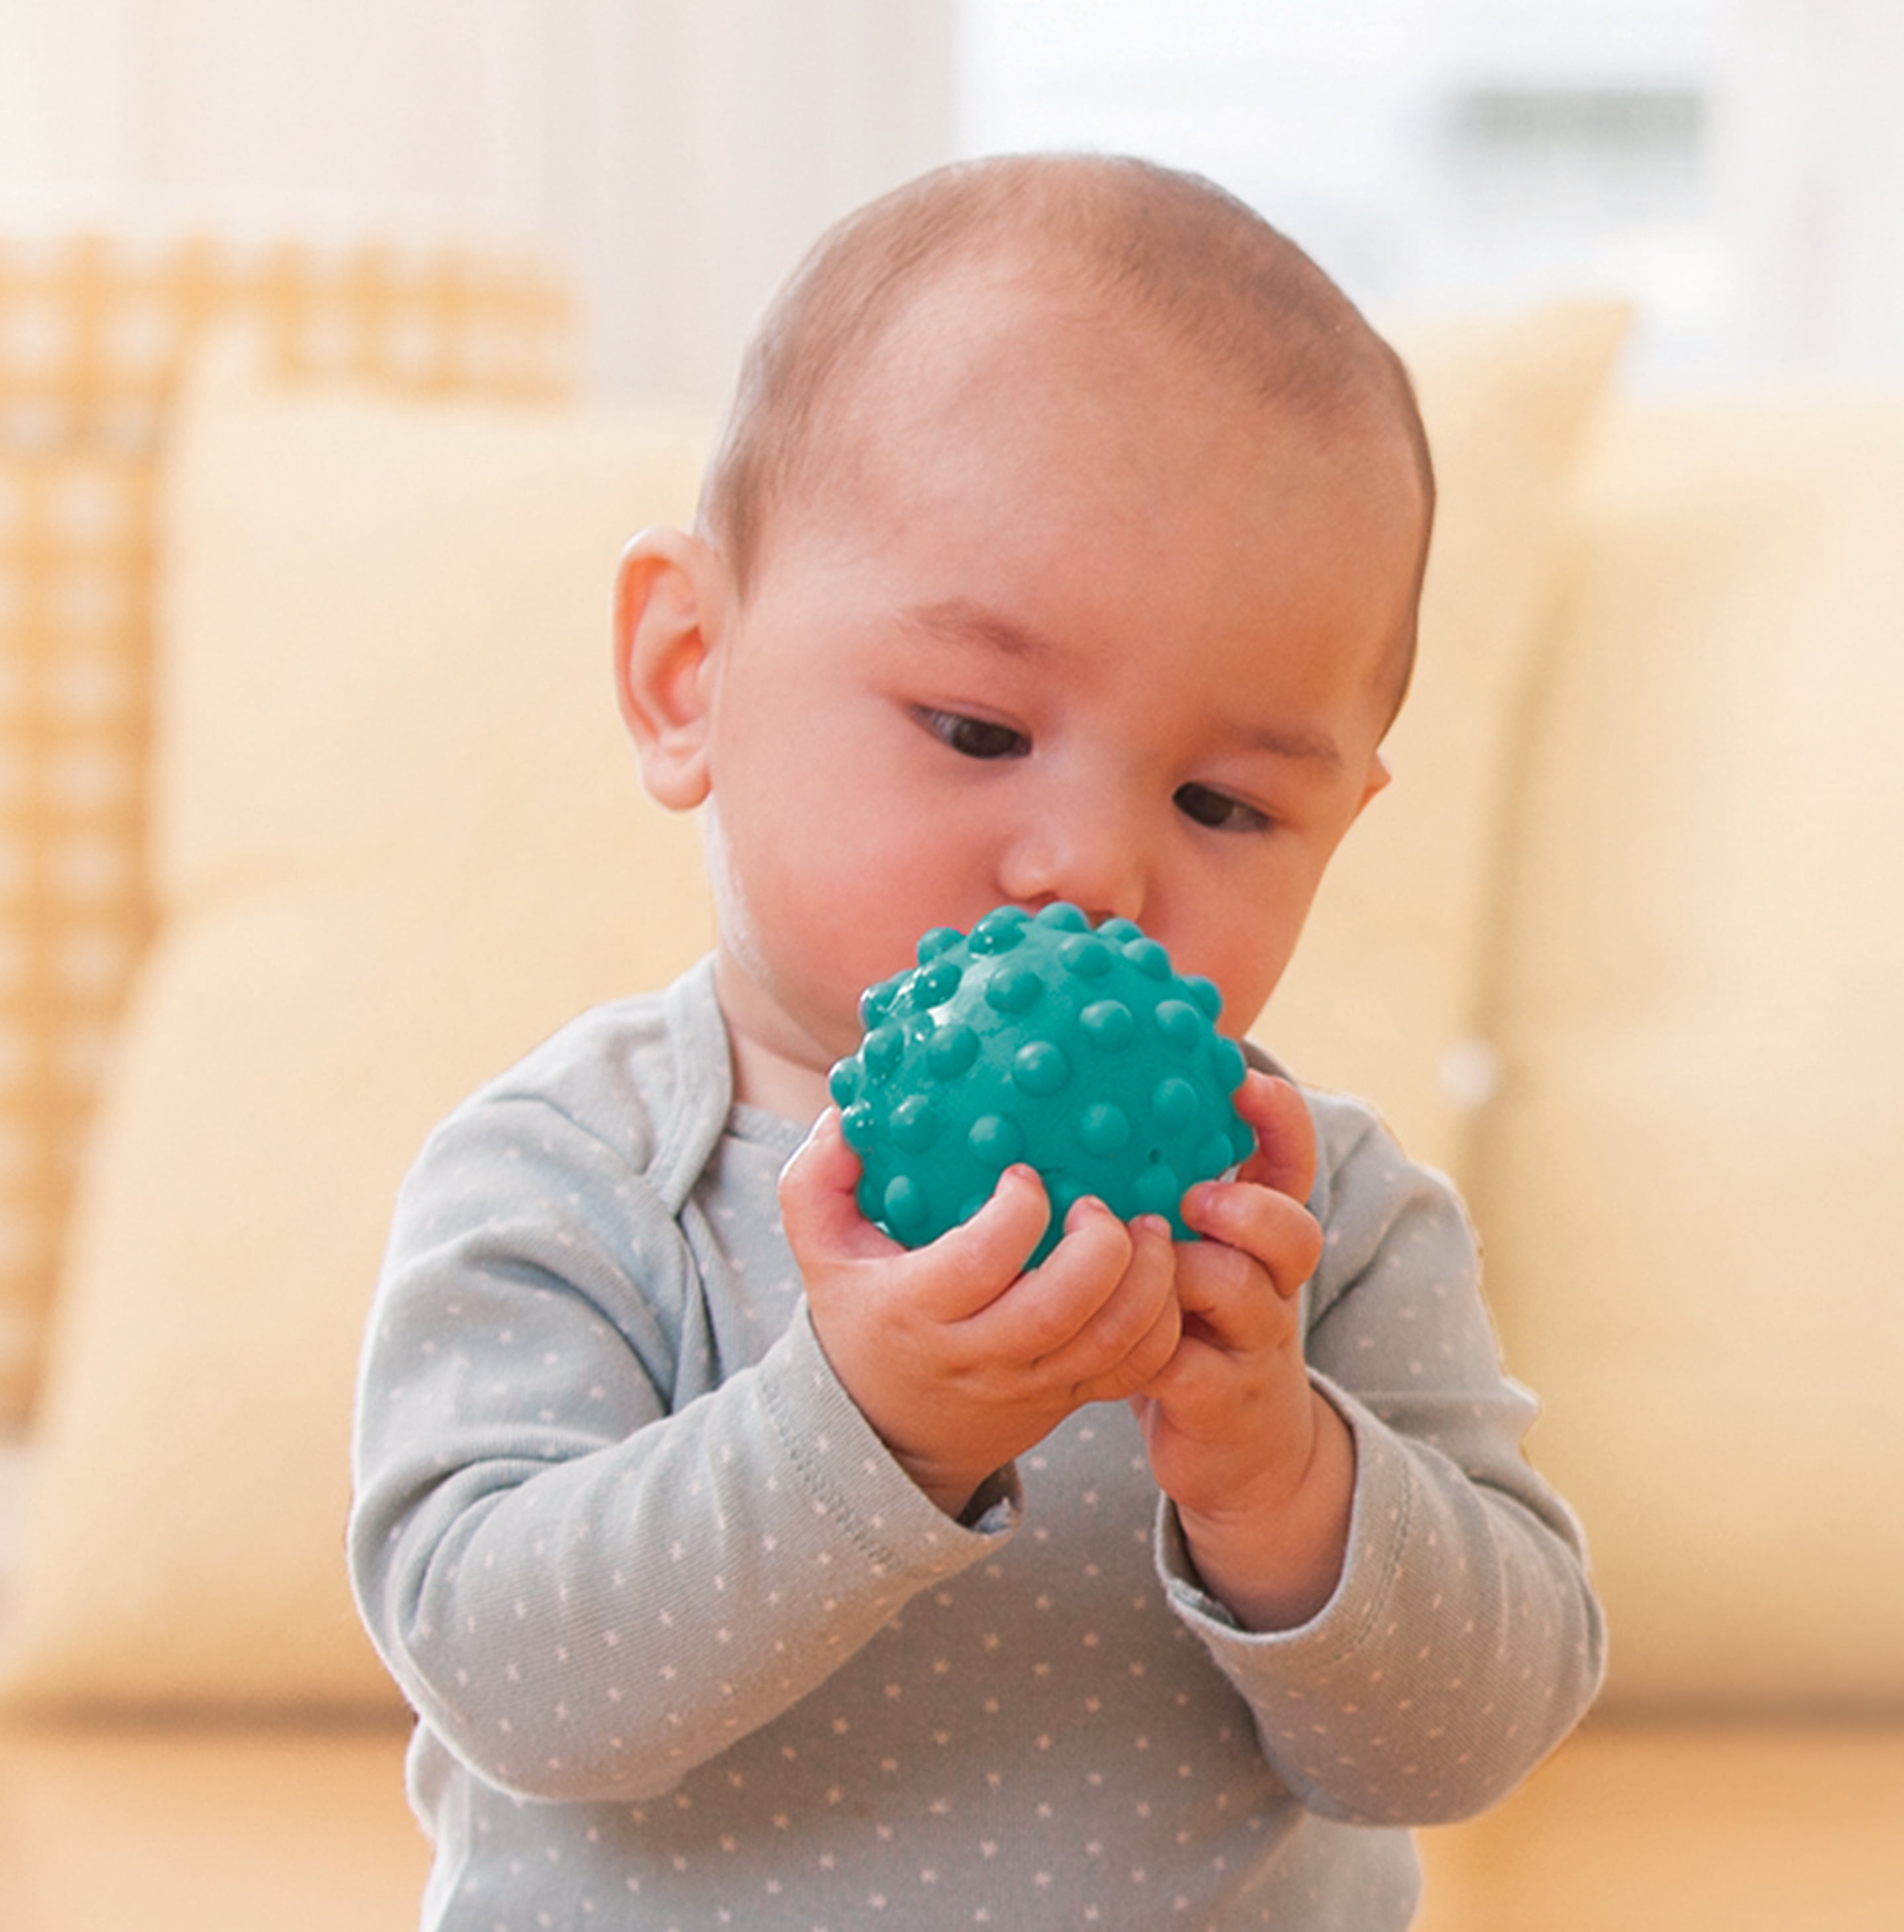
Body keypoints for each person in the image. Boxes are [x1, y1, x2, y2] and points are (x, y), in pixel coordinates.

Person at [349, 154, 1603, 1932]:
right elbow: (506, 1678)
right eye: (975, 725)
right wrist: (861, 1433)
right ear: (689, 670)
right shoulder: (576, 1175)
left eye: (1223, 802)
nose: (1092, 866)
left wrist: (1284, 1480)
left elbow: (1469, 1737)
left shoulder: (1315, 1237)